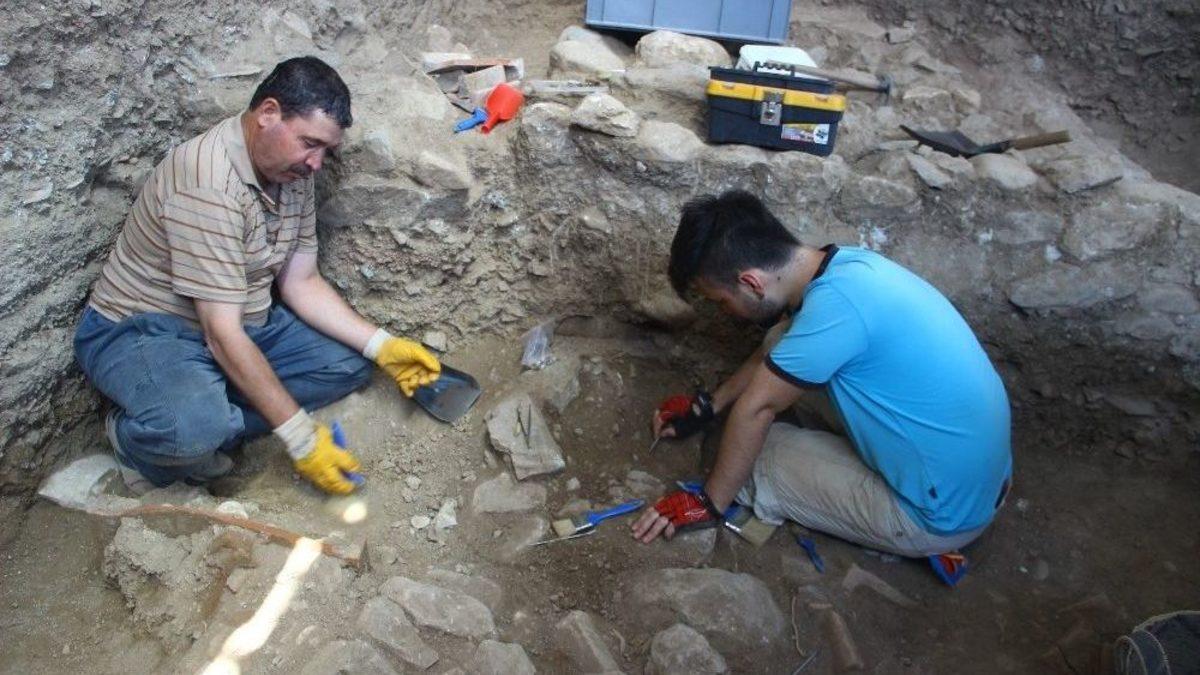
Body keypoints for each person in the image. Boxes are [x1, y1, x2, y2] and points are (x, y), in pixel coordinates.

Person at [74, 57, 441, 496]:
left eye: (326, 150)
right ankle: (139, 439)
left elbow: (301, 282)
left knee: (347, 364)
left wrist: (383, 345)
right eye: (310, 143)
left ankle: (212, 412)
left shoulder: (290, 171)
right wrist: (301, 438)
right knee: (192, 430)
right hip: (145, 332)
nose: (316, 163)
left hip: (239, 322)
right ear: (268, 113)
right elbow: (221, 334)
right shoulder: (208, 186)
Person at [631, 190, 1012, 559]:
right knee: (781, 344)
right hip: (973, 478)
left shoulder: (835, 310)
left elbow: (755, 409)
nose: (723, 311)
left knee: (753, 453)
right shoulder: (846, 267)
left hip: (937, 515)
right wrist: (710, 406)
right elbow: (780, 345)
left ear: (751, 283)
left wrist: (709, 503)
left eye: (720, 301)